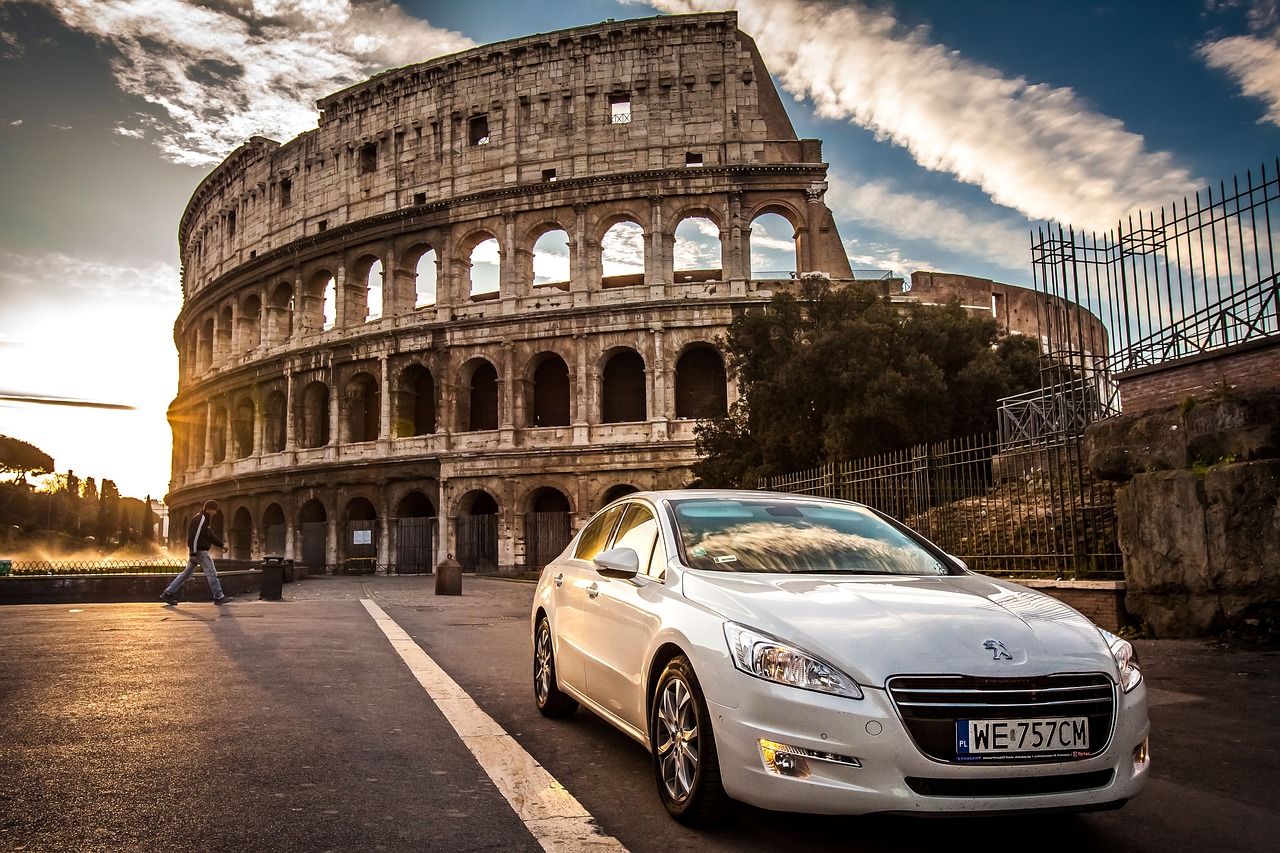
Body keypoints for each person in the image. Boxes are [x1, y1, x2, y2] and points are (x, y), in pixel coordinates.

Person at [160, 500, 231, 605]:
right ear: (209, 509)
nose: (215, 513)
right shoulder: (201, 518)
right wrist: (193, 552)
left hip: (196, 552)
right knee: (211, 573)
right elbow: (194, 536)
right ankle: (219, 596)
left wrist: (221, 545)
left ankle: (168, 593)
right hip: (200, 552)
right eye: (214, 510)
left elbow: (210, 535)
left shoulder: (205, 519)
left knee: (185, 574)